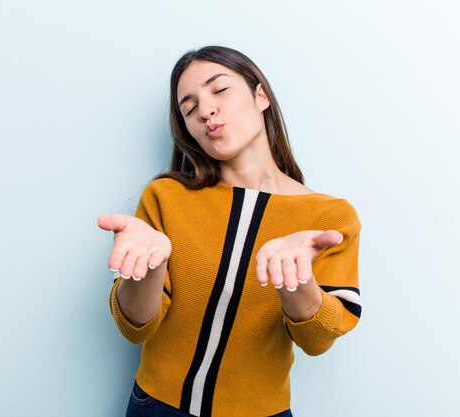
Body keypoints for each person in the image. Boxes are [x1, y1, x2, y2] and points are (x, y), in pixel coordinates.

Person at [97, 46, 361, 417]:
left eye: (219, 90)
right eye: (189, 108)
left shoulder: (329, 216)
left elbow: (316, 342)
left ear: (261, 95)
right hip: (155, 406)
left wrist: (296, 281)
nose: (205, 111)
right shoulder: (165, 197)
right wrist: (150, 270)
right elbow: (135, 328)